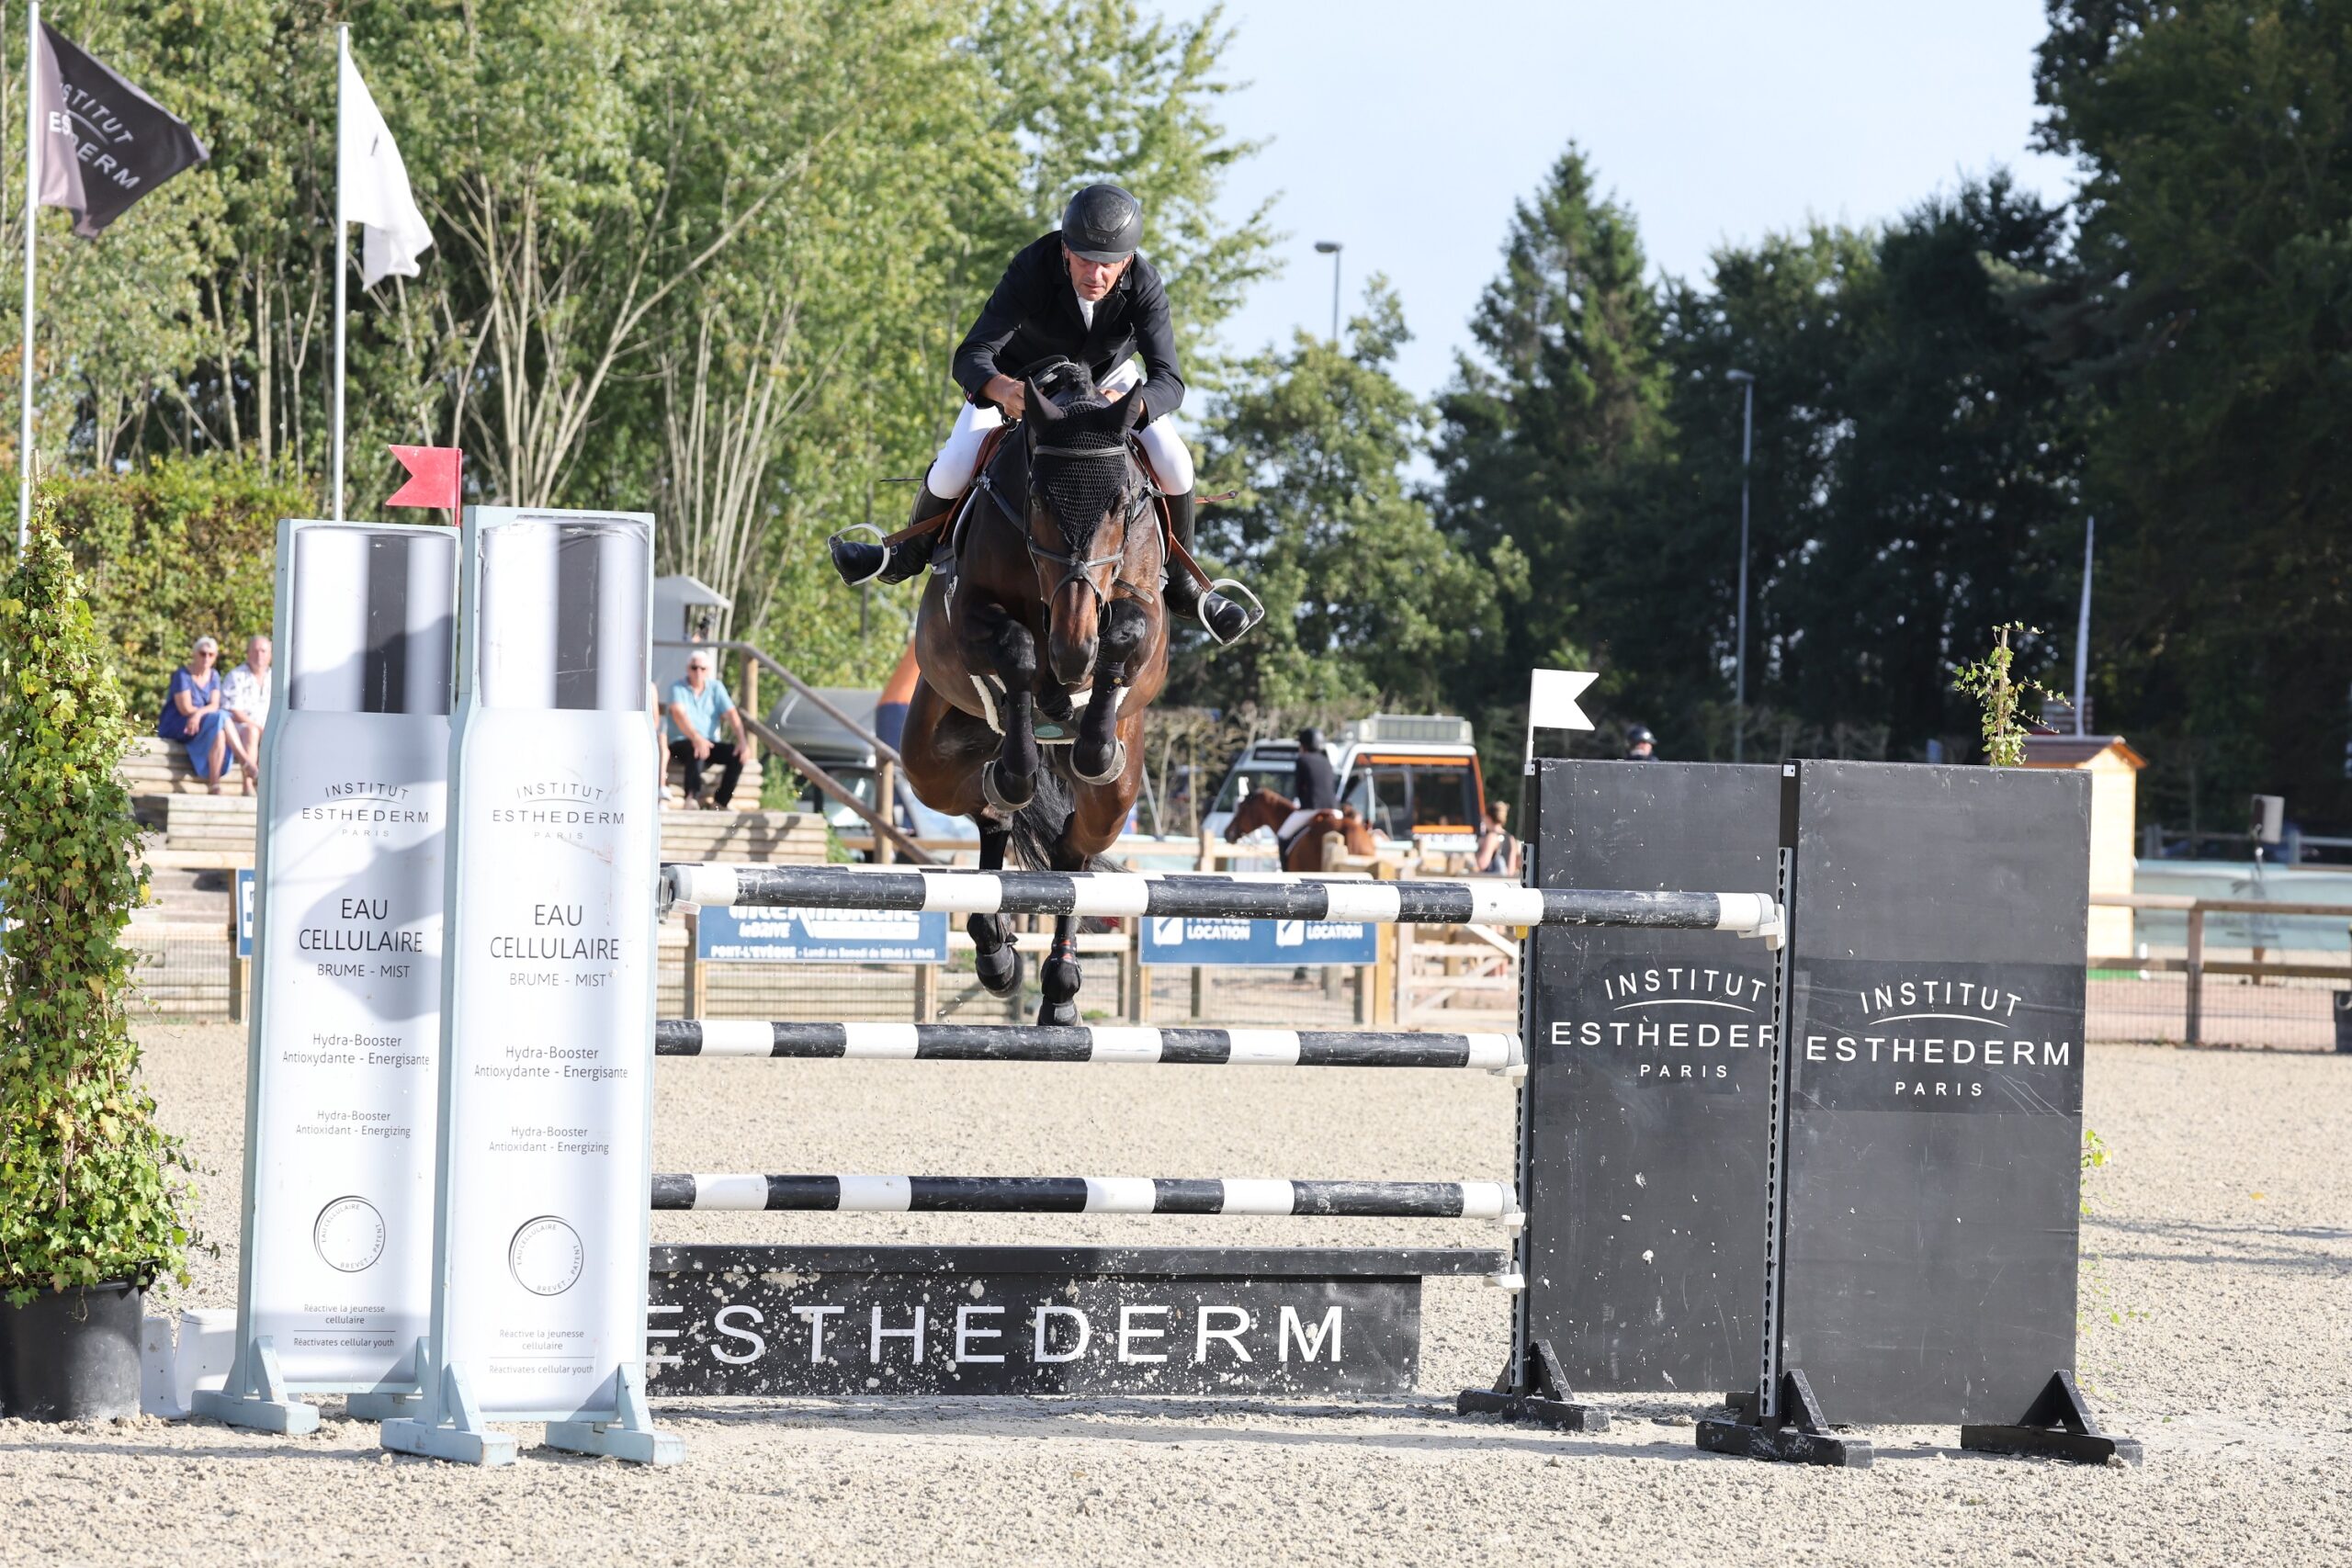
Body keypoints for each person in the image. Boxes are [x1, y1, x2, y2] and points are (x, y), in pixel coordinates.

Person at [826, 183, 1255, 644]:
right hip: (1025, 383)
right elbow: (971, 354)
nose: (1096, 274)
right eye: (1086, 259)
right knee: (954, 466)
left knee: (1175, 462)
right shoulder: (1032, 267)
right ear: (1066, 250)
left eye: (1109, 264)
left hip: (1108, 387)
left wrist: (1135, 406)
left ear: (1127, 261)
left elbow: (1169, 379)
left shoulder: (1145, 284)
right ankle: (905, 556)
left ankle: (1188, 587)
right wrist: (1000, 387)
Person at [665, 650, 750, 809]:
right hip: (680, 743)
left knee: (737, 754)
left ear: (708, 671)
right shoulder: (677, 687)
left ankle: (721, 802)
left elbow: (731, 713)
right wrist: (696, 737)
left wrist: (742, 741)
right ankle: (691, 797)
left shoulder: (716, 688)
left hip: (708, 743)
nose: (698, 672)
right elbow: (678, 715)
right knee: (696, 747)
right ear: (687, 669)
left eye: (702, 669)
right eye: (694, 667)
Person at [159, 635, 232, 792]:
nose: (206, 657)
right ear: (194, 654)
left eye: (210, 654)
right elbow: (185, 708)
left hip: (200, 723)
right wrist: (199, 715)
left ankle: (214, 783)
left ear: (215, 657)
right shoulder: (183, 675)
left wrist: (199, 715)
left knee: (220, 732)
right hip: (181, 724)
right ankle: (247, 762)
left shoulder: (214, 675)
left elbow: (214, 704)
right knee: (222, 717)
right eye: (202, 653)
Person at [221, 633, 272, 788]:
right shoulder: (236, 676)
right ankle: (248, 784)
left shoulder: (276, 678)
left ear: (270, 654)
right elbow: (234, 711)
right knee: (252, 731)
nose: (259, 655)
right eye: (255, 651)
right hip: (238, 728)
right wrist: (258, 727)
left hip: (268, 728)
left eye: (263, 651)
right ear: (248, 653)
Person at [1473, 798, 1521, 877]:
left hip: (1492, 882)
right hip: (1505, 883)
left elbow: (1482, 864)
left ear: (1488, 818)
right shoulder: (1510, 838)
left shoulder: (1492, 837)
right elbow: (1511, 869)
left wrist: (1479, 849)